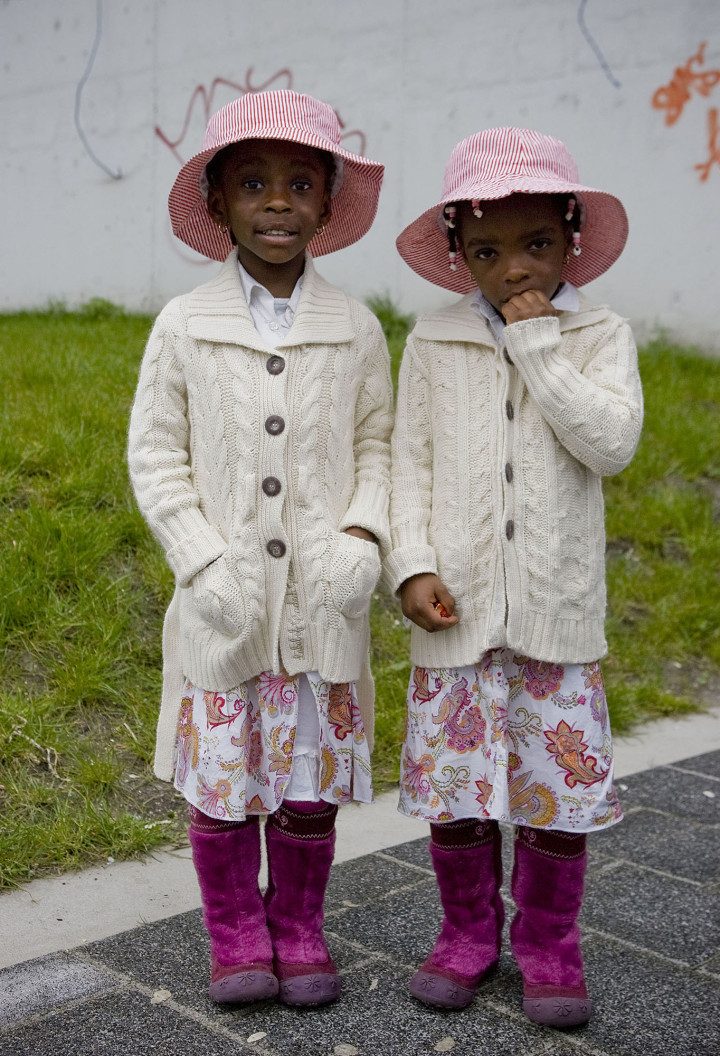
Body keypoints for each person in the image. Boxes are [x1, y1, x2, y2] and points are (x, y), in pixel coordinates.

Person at [127, 90, 392, 1008]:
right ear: (218, 200)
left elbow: (378, 447)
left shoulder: (355, 327)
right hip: (225, 602)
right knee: (224, 785)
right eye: (253, 183)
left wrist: (361, 536)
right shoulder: (184, 323)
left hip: (322, 604)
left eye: (298, 184)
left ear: (325, 201)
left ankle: (300, 929)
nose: (276, 201)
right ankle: (236, 933)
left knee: (307, 785)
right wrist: (203, 560)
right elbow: (155, 454)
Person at [387, 127, 643, 1027]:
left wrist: (540, 349)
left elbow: (610, 445)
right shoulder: (434, 339)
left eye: (537, 245)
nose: (514, 269)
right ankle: (466, 937)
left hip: (556, 616)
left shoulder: (600, 334)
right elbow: (406, 464)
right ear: (458, 252)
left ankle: (549, 947)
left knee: (554, 796)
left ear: (571, 239)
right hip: (456, 615)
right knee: (458, 792)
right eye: (487, 251)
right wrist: (410, 564)